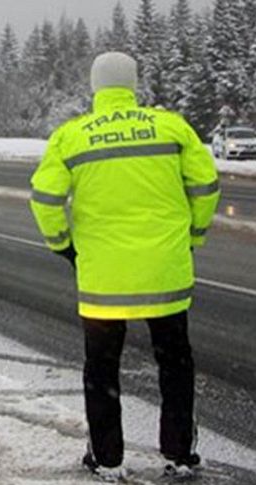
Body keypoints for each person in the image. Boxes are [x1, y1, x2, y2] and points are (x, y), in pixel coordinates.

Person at [29, 52, 220, 482]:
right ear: (133, 85)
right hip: (165, 276)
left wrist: (65, 246)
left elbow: (44, 199)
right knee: (175, 364)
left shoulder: (71, 136)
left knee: (101, 370)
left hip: (103, 283)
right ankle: (178, 452)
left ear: (96, 86)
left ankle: (107, 458)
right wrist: (193, 237)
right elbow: (206, 186)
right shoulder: (170, 126)